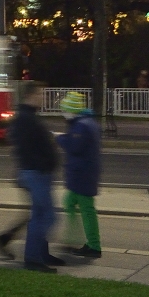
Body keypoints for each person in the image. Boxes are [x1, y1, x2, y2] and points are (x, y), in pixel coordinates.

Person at [0, 82, 62, 272]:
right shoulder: (28, 119)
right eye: (41, 94)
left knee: (39, 215)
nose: (43, 97)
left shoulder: (25, 117)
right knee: (46, 217)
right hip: (36, 172)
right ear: (31, 95)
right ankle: (33, 258)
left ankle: (39, 254)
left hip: (33, 172)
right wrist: (47, 161)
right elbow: (33, 147)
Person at [55, 90, 102, 258]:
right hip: (83, 174)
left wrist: (59, 138)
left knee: (86, 210)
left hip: (82, 176)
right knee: (70, 203)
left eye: (65, 110)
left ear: (72, 110)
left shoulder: (81, 126)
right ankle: (74, 239)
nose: (64, 113)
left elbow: (75, 147)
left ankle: (93, 245)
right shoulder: (87, 122)